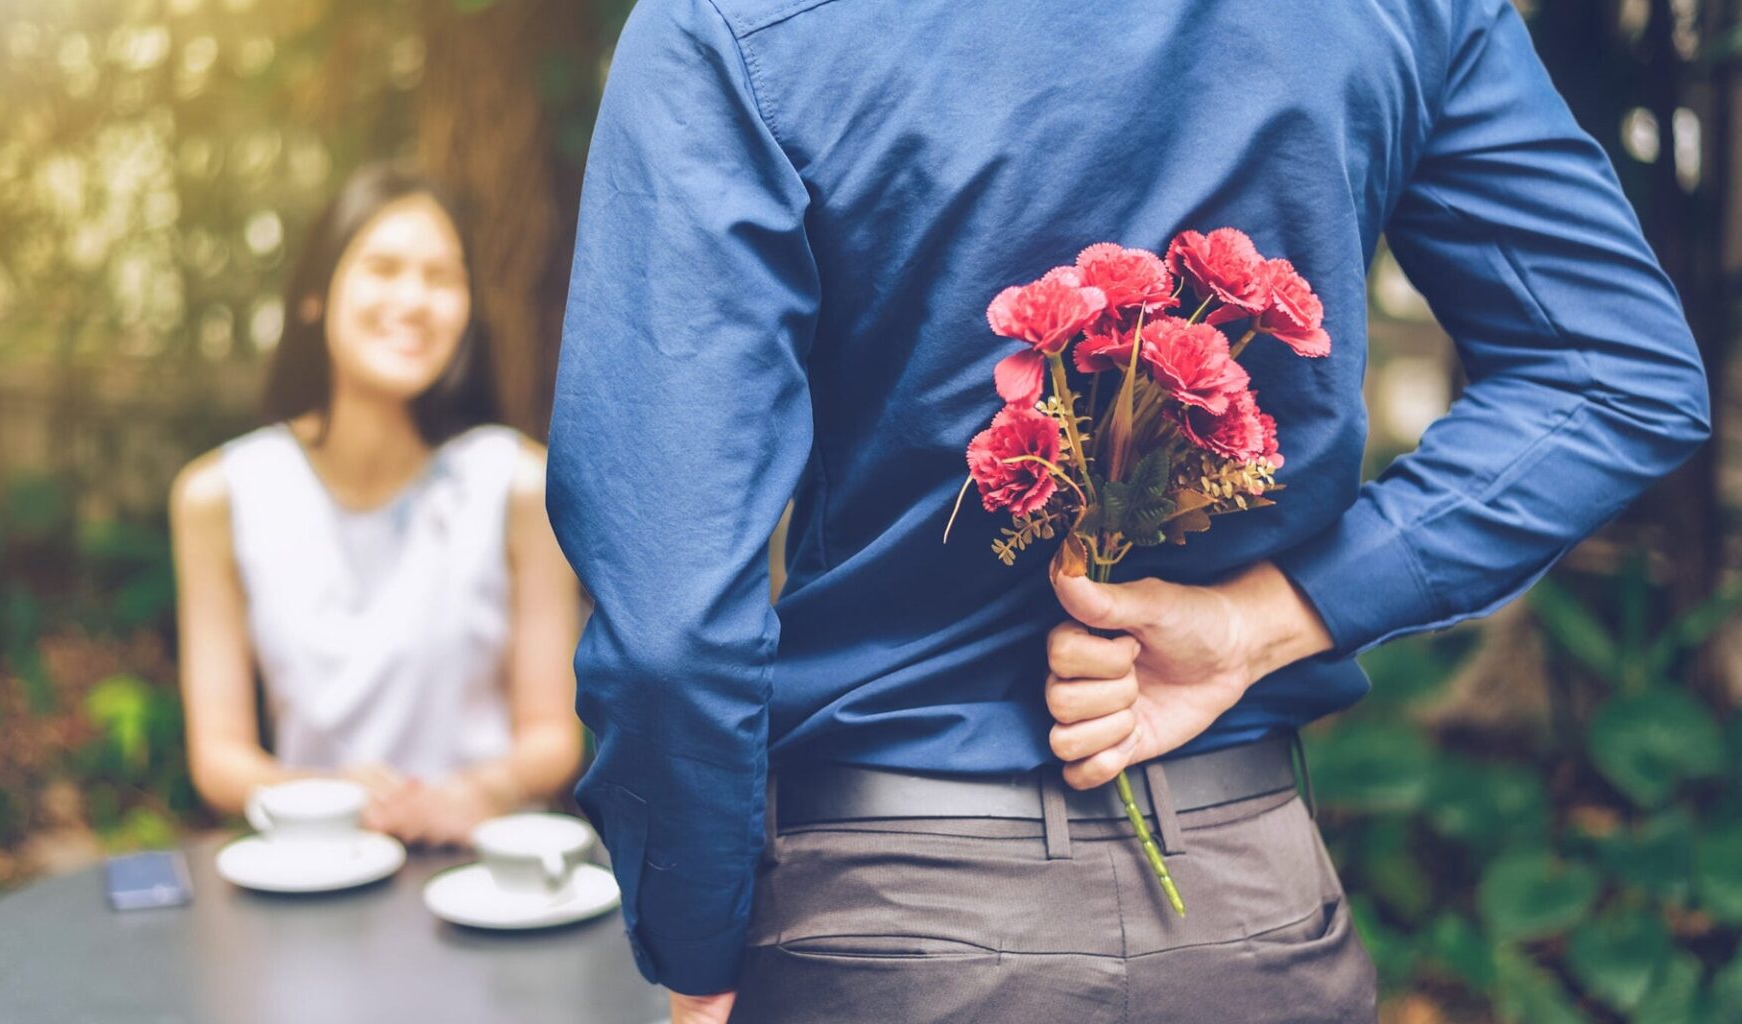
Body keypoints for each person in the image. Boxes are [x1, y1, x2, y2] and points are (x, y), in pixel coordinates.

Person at [545, 0, 1712, 1021]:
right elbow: (1616, 374)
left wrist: (696, 943)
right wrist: (1270, 617)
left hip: (884, 930)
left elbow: (671, 628)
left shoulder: (737, 26)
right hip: (1248, 913)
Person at [172, 164, 585, 847]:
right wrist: (327, 800)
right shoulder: (219, 494)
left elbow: (551, 737)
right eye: (383, 268)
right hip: (315, 868)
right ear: (314, 296)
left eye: (442, 277)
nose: (414, 299)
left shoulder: (517, 484)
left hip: (484, 874)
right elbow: (219, 758)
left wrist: (473, 795)